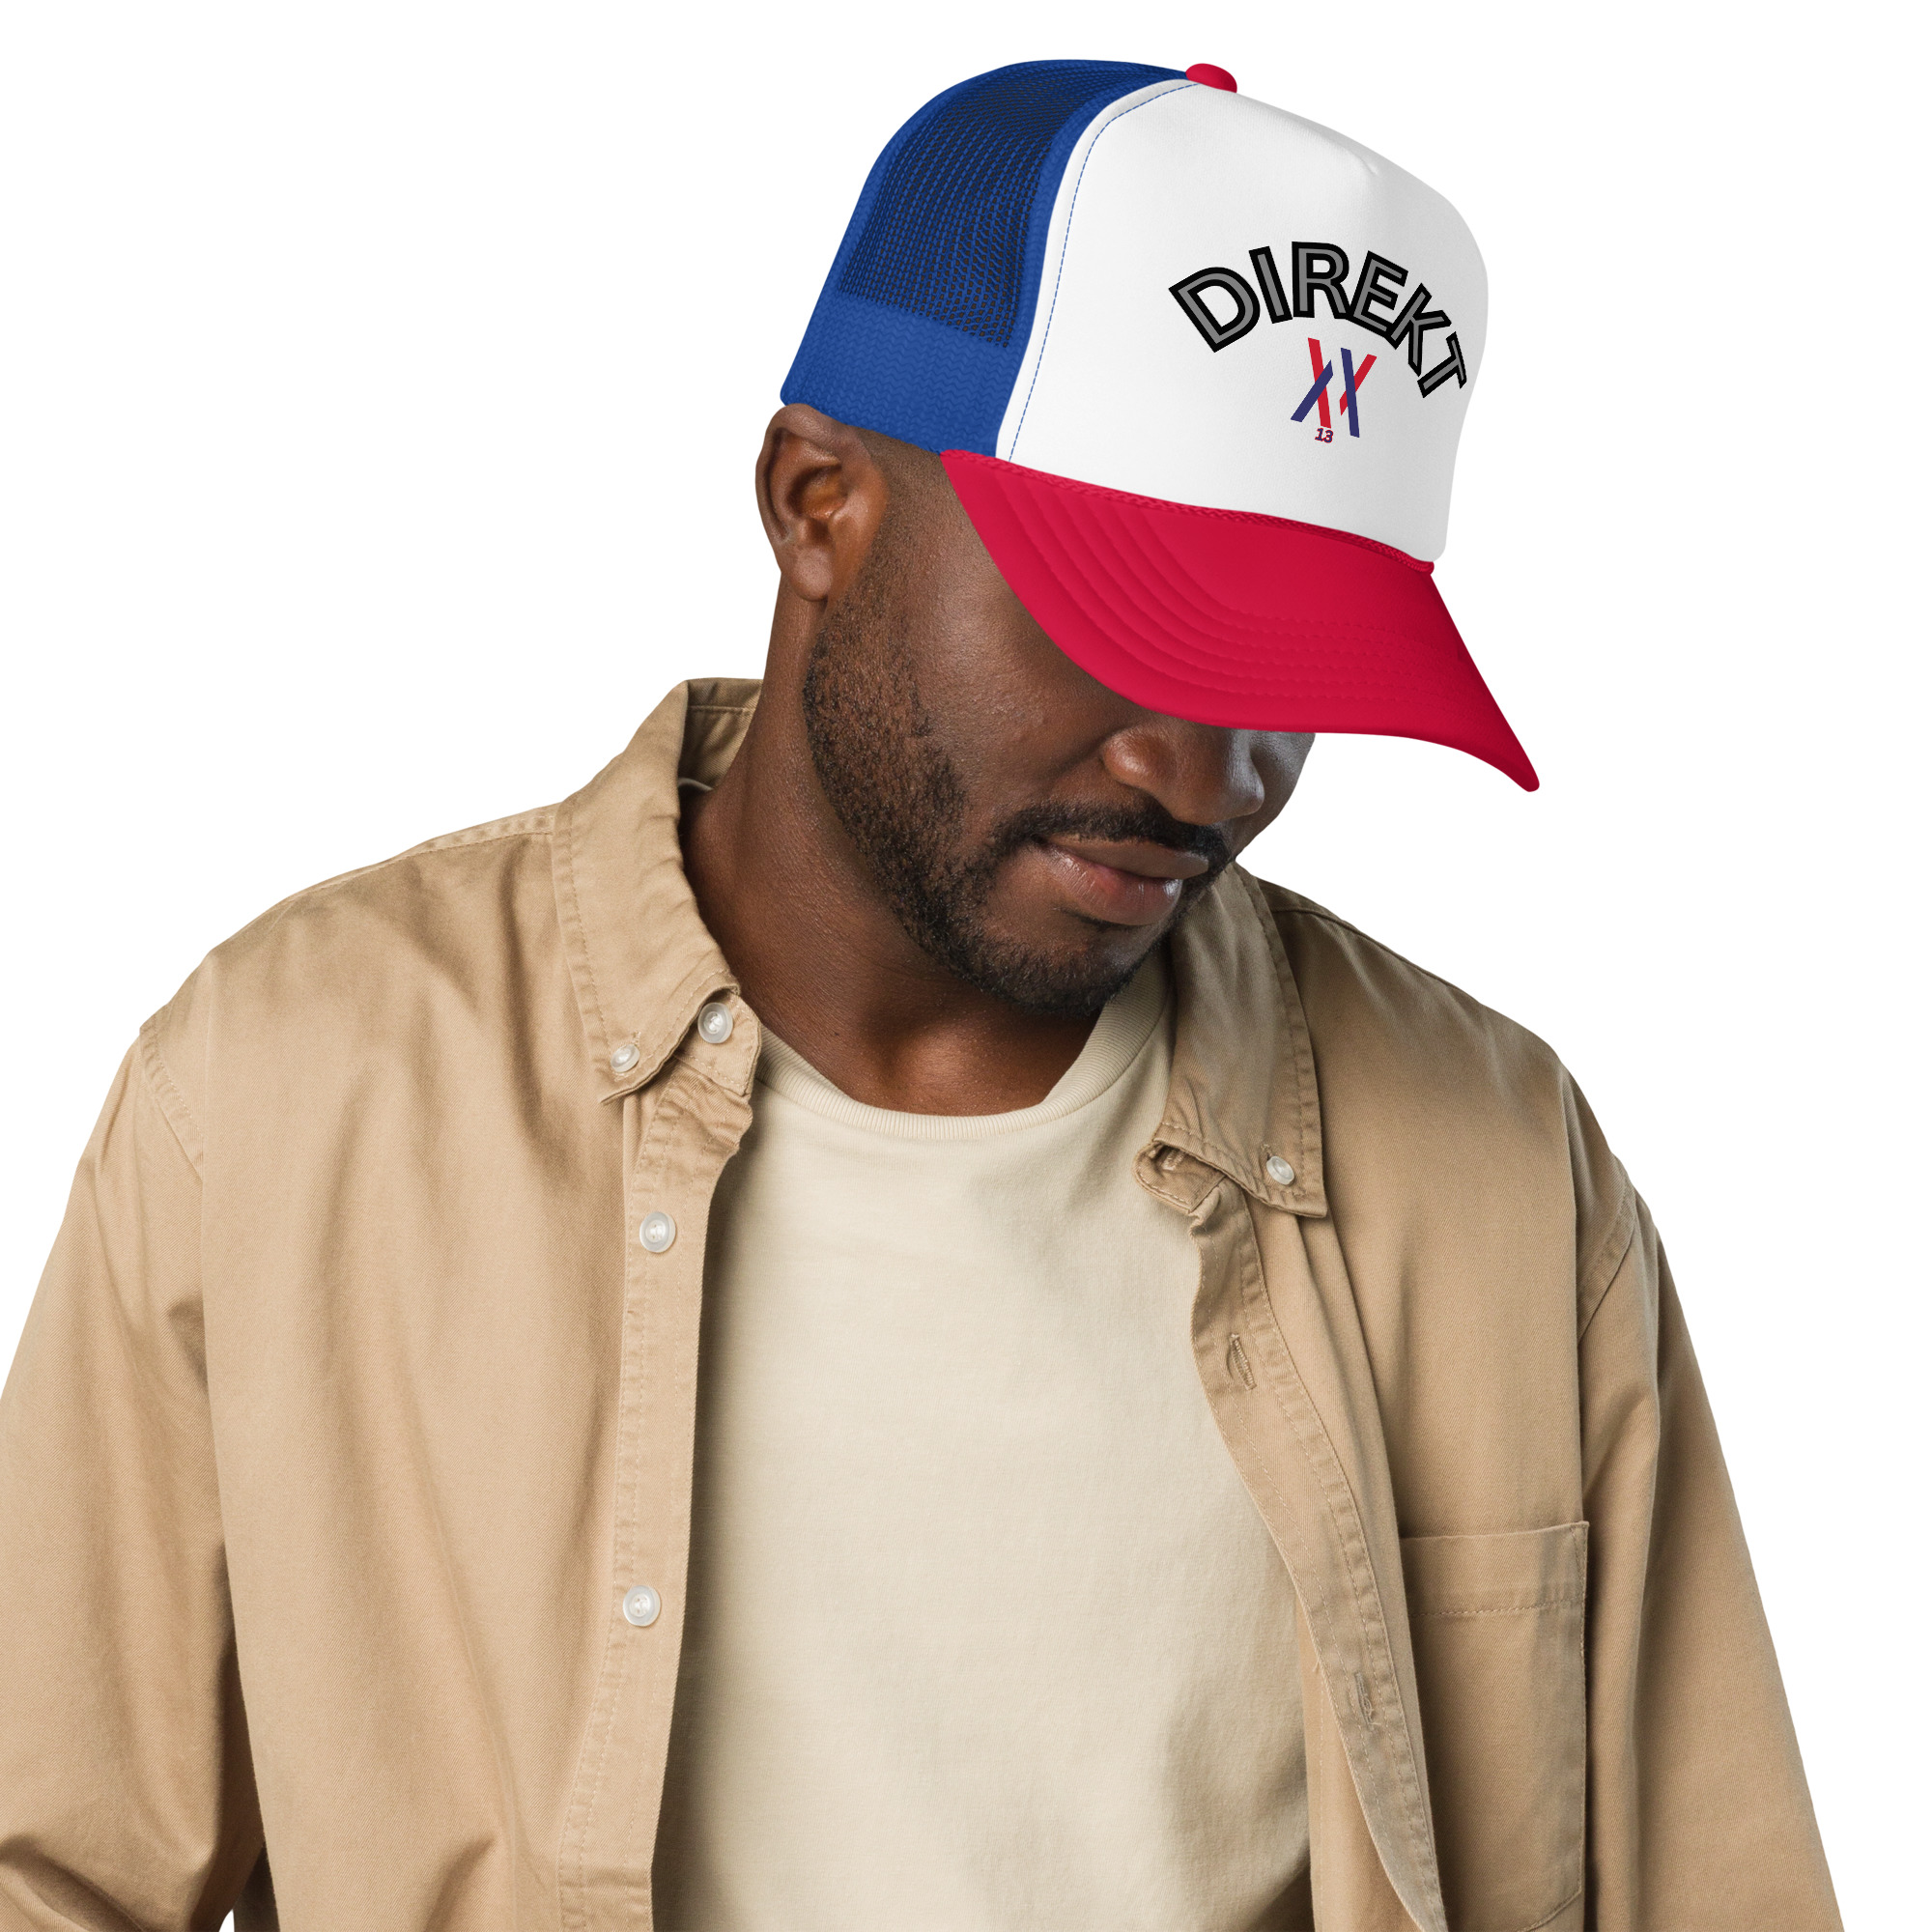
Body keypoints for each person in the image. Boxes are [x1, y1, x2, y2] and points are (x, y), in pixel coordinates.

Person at [0, 57, 1838, 1932]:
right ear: (818, 505)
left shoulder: (1494, 1171)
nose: (1204, 778)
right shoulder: (289, 1095)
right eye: (1130, 629)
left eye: (1292, 677)